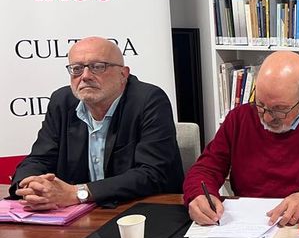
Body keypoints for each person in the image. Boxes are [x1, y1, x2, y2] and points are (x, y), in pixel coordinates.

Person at [184, 51, 299, 226]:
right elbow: (206, 168)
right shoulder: (239, 119)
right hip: (248, 226)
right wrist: (199, 195)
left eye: (279, 109)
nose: (267, 117)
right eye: (261, 104)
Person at [9, 36, 184, 209]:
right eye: (76, 69)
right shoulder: (62, 101)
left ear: (123, 74)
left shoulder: (148, 100)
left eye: (97, 67)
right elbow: (39, 159)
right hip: (78, 215)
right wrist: (31, 187)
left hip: (138, 210)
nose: (85, 76)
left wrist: (78, 193)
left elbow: (153, 174)